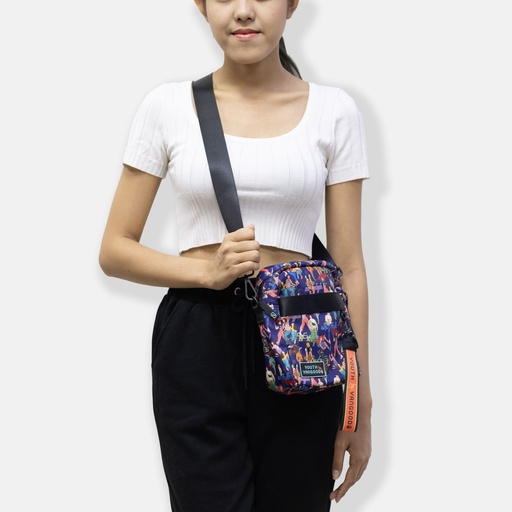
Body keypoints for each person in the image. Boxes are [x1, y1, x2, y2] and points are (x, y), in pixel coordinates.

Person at [99, 1, 372, 510]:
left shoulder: (335, 110)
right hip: (198, 338)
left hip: (303, 334)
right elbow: (115, 249)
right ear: (201, 5)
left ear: (292, 4)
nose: (243, 11)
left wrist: (359, 401)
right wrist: (207, 271)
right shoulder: (167, 106)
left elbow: (349, 266)